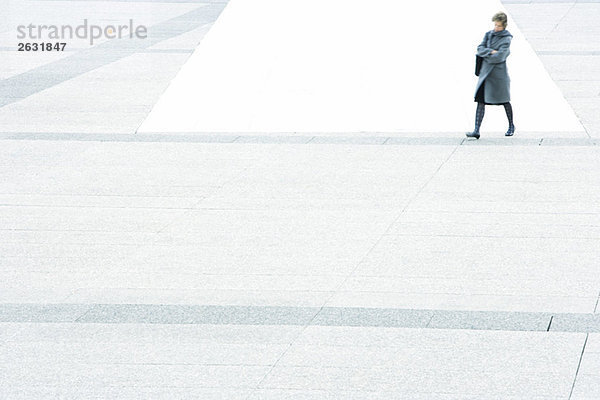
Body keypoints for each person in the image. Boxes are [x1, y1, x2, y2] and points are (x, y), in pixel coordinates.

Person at [467, 12, 515, 139]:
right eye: (495, 25)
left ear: (504, 26)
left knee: (505, 101)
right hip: (485, 75)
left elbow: (500, 56)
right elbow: (480, 48)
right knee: (480, 101)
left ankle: (511, 125)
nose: (496, 28)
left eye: (498, 26)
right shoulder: (488, 34)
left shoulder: (506, 39)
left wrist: (488, 54)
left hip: (498, 76)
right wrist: (490, 52)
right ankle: (476, 130)